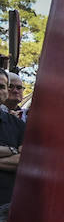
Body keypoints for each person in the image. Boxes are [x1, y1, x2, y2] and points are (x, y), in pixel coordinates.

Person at [0, 73, 24, 209]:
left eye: (1, 87)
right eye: (11, 87)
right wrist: (11, 151)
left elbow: (23, 160)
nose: (15, 91)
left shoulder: (18, 125)